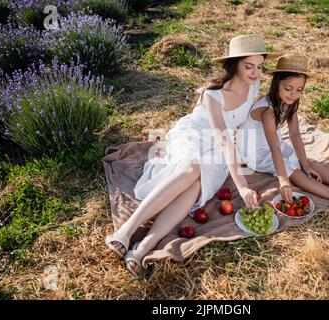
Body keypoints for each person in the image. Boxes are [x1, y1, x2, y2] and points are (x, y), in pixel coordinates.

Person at [105, 34, 279, 276]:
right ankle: (125, 231)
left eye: (259, 67)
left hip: (218, 150)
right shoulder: (213, 95)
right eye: (249, 66)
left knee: (196, 187)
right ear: (234, 65)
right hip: (195, 135)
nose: (255, 73)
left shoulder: (254, 86)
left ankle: (142, 248)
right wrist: (242, 185)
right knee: (193, 169)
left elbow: (240, 127)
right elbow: (224, 139)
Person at [237, 54, 329, 217]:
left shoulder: (291, 102)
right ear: (276, 84)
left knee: (306, 164)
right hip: (256, 150)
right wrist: (283, 180)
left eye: (299, 90)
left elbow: (295, 134)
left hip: (274, 142)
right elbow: (274, 147)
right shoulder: (267, 111)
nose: (292, 94)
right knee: (293, 172)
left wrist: (306, 165)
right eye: (288, 88)